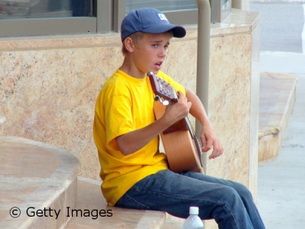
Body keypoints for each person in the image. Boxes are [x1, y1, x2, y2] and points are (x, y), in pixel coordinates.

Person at [93, 8, 265, 229]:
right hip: (130, 183)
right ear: (130, 45)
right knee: (226, 199)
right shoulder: (118, 89)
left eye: (166, 46)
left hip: (156, 171)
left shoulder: (152, 78)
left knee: (241, 192)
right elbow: (125, 144)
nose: (162, 53)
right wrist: (165, 121)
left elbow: (188, 95)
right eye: (155, 45)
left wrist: (207, 126)